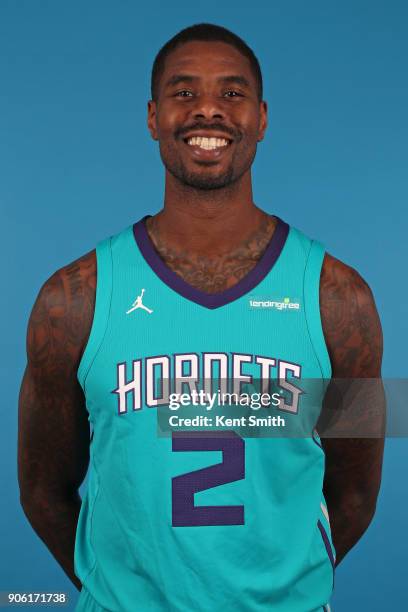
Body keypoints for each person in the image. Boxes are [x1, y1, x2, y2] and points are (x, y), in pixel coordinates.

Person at [18, 23, 384, 612]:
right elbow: (42, 490)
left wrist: (278, 591)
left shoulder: (342, 301)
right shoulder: (72, 300)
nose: (208, 109)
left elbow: (358, 494)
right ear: (152, 116)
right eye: (183, 92)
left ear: (262, 118)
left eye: (232, 94)